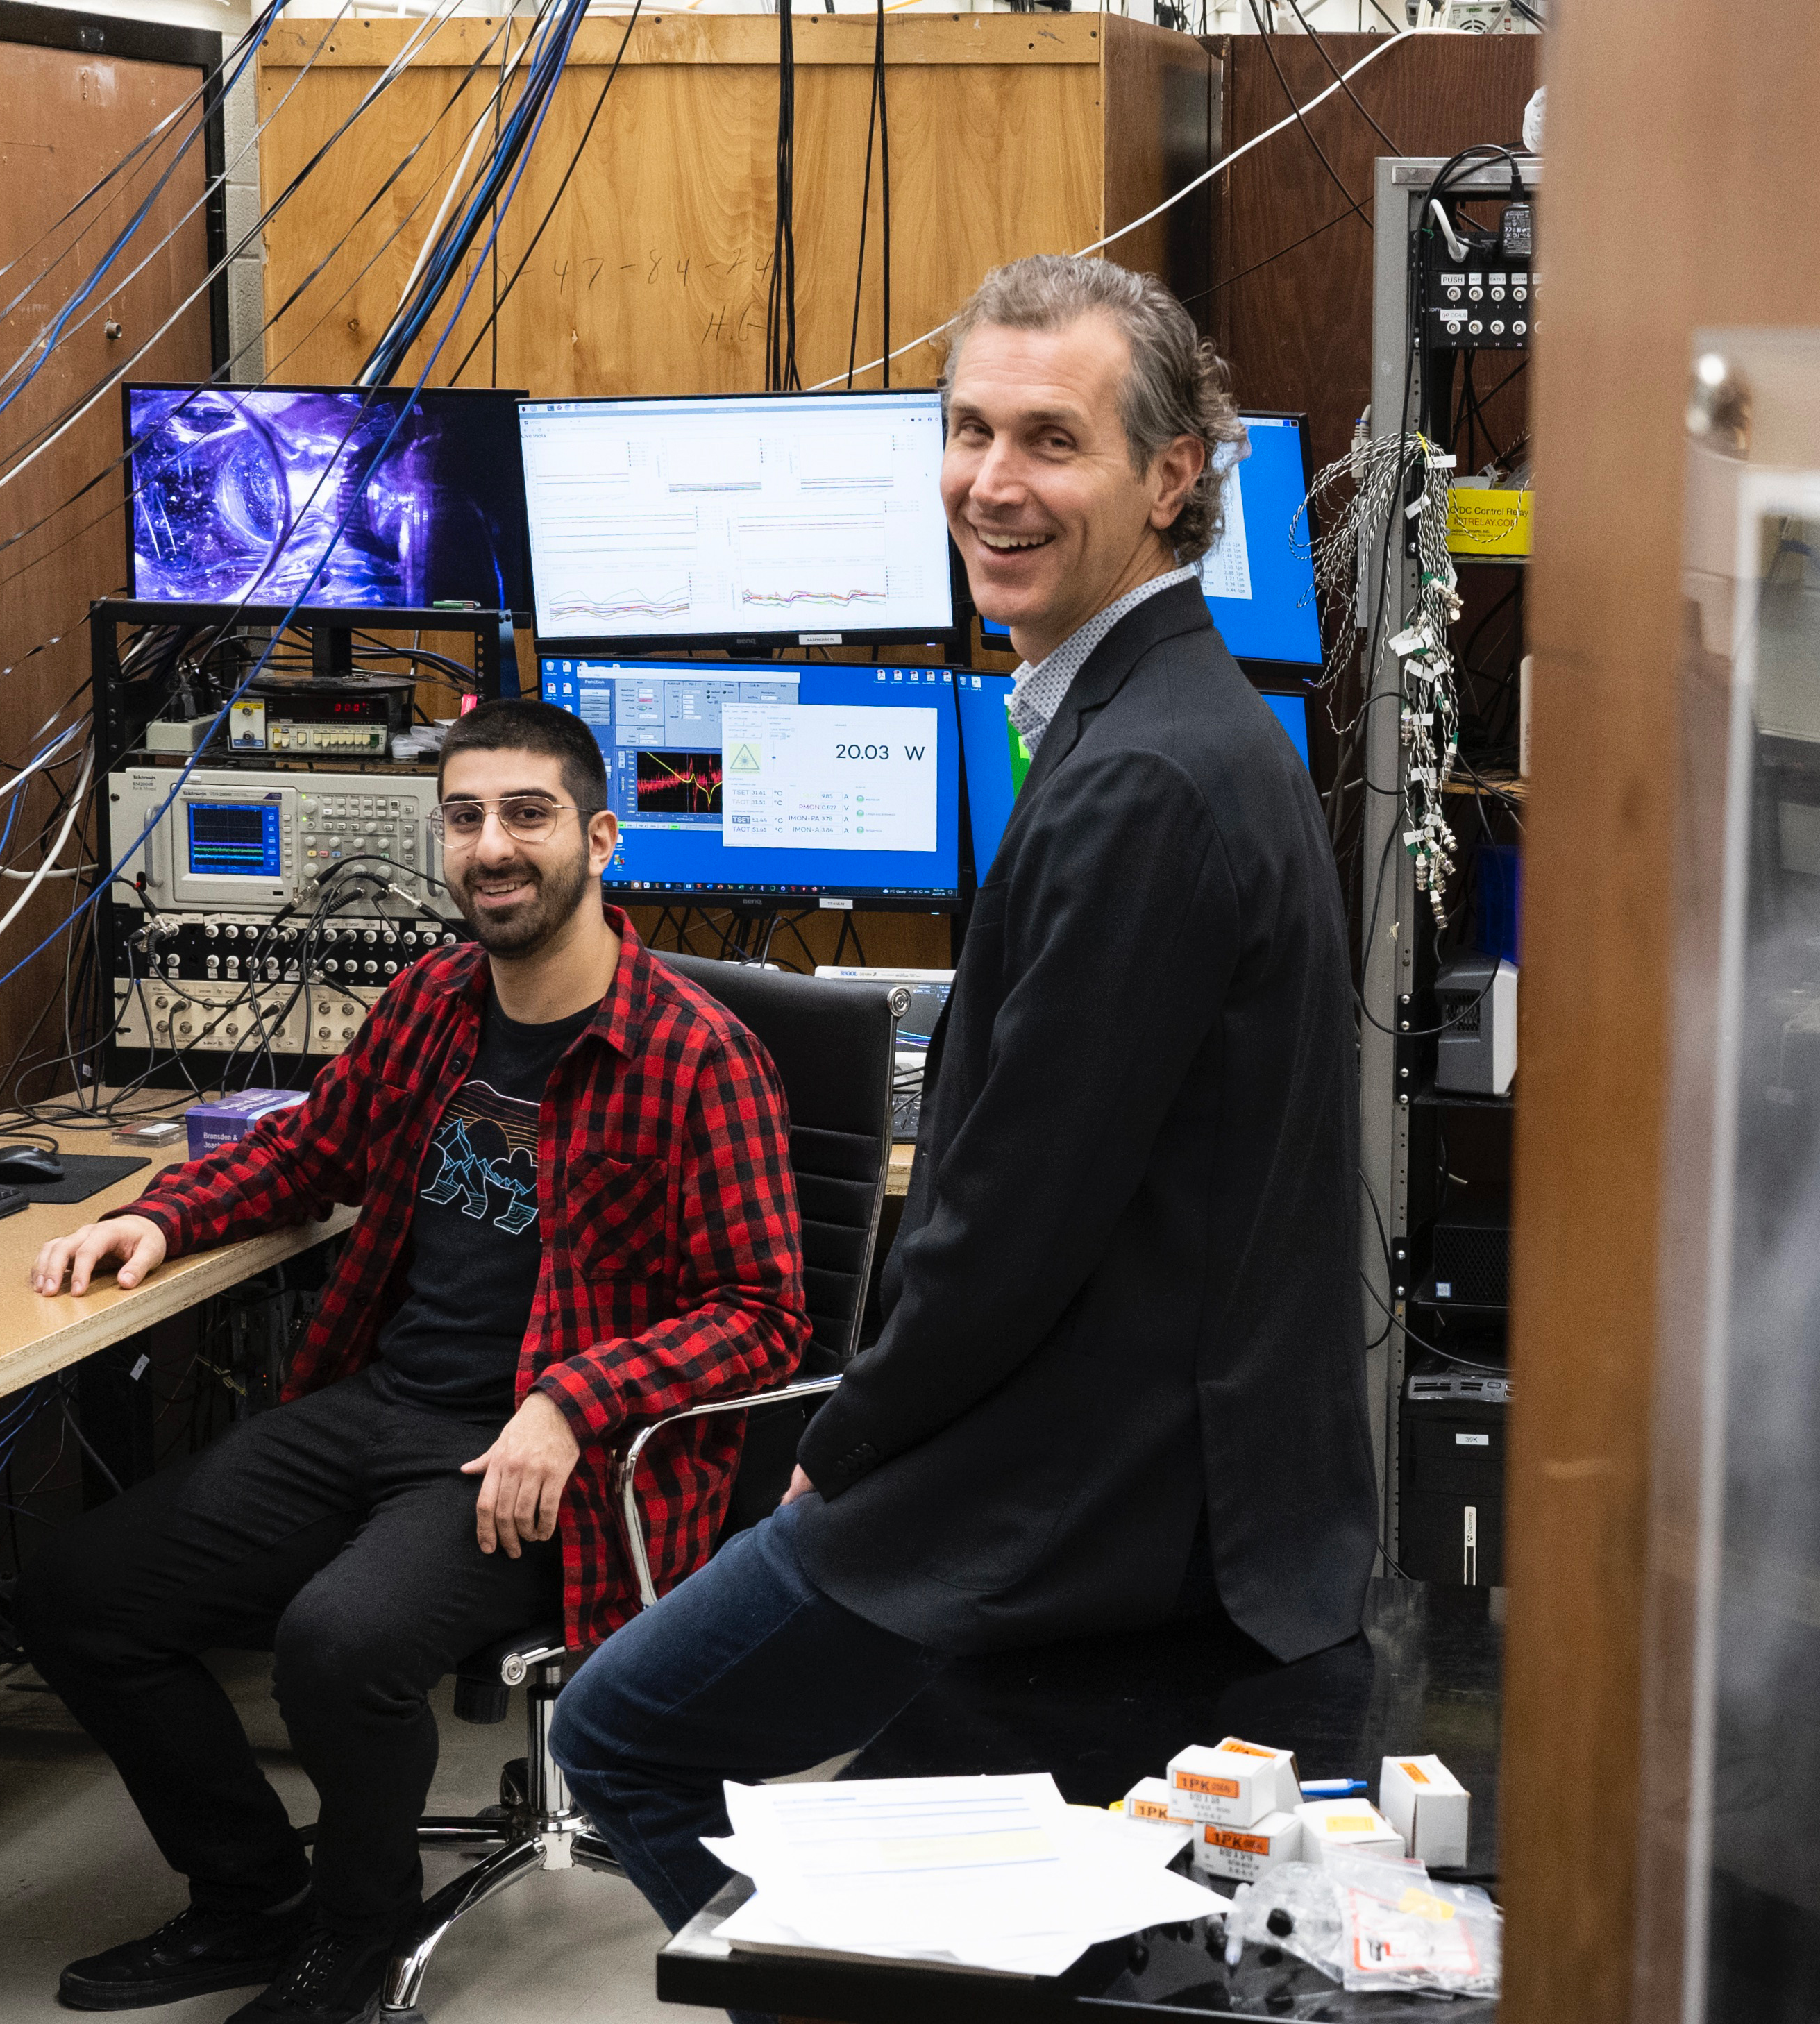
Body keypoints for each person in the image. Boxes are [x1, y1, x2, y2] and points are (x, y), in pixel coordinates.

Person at [552, 253, 1371, 1939]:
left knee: (615, 1731)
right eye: (968, 430)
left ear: (1169, 479)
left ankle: (838, 1978)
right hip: (1155, 1468)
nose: (993, 483)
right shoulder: (1169, 720)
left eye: (1051, 441)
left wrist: (836, 1451)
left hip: (1082, 1494)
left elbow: (1006, 1224)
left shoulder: (1143, 777)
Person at [12, 697, 806, 2022]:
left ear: (600, 840)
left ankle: (358, 1933)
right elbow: (309, 1150)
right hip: (382, 1407)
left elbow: (764, 1312)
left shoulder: (694, 1055)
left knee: (338, 1646)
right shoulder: (437, 1000)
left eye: (527, 816)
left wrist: (572, 1397)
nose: (492, 847)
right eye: (465, 818)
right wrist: (157, 1213)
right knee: (79, 1595)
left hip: (542, 1455)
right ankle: (246, 1895)